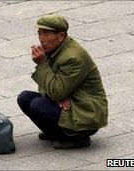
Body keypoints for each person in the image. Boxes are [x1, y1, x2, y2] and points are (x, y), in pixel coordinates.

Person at [17, 13, 108, 149]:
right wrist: (56, 96)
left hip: (86, 112)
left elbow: (55, 91)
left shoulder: (73, 58)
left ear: (60, 36)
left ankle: (78, 138)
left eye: (46, 34)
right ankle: (55, 132)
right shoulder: (54, 49)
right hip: (71, 101)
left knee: (38, 104)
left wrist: (42, 64)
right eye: (40, 33)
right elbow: (47, 87)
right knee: (24, 98)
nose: (41, 39)